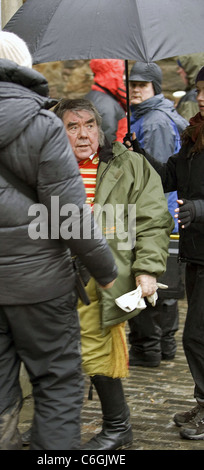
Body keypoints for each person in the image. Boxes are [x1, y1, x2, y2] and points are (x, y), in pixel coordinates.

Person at [0, 31, 118, 450]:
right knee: (57, 382)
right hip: (41, 287)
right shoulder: (44, 125)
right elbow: (68, 216)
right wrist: (106, 271)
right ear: (24, 67)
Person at [53, 98, 174, 450]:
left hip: (99, 276)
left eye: (89, 124)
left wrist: (148, 269)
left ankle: (118, 426)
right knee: (51, 352)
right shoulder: (48, 166)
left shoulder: (132, 165)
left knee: (94, 349)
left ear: (100, 127)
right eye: (72, 126)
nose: (82, 134)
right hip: (50, 276)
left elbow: (153, 222)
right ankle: (54, 422)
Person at [129, 65, 204, 441]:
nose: (202, 97)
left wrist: (201, 208)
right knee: (197, 334)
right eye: (201, 90)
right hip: (196, 249)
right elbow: (166, 177)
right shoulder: (195, 134)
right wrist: (138, 152)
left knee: (196, 335)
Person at [127, 62, 188, 367]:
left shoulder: (154, 122)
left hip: (157, 214)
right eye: (132, 84)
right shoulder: (146, 117)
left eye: (142, 85)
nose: (135, 89)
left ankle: (150, 348)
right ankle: (161, 347)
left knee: (151, 277)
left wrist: (151, 220)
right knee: (164, 280)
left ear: (155, 88)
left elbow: (159, 178)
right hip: (162, 214)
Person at [84, 59, 127, 143]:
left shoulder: (95, 96)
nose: (124, 77)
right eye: (121, 73)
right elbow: (108, 144)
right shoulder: (106, 105)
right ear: (111, 75)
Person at [176, 53, 204, 121]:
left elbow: (190, 128)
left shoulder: (192, 97)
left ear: (190, 69)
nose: (178, 71)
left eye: (181, 67)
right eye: (198, 91)